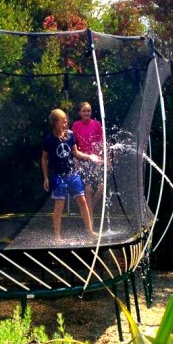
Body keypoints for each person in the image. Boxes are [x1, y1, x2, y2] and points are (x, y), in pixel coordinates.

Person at [41, 108, 101, 242]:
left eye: (66, 121)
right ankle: (57, 235)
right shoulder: (49, 140)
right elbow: (44, 159)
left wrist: (90, 156)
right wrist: (45, 177)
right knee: (59, 205)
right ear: (55, 123)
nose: (65, 124)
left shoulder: (70, 135)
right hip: (58, 176)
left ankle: (89, 230)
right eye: (62, 122)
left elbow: (76, 152)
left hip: (72, 174)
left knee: (83, 201)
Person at [71, 101, 104, 223]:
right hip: (83, 159)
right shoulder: (76, 125)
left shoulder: (96, 124)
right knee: (88, 190)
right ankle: (91, 223)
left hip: (95, 159)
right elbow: (73, 145)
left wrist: (104, 158)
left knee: (101, 187)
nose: (86, 113)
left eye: (88, 111)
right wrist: (76, 160)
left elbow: (101, 143)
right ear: (79, 113)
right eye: (84, 111)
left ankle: (89, 208)